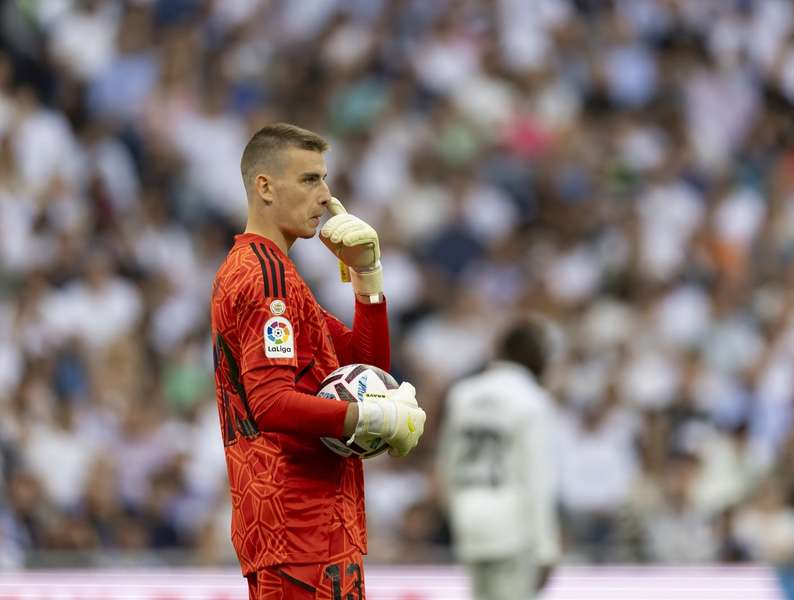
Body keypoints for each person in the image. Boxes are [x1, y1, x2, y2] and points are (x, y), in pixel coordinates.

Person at [210, 123, 426, 599]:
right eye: (309, 180)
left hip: (313, 528)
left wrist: (366, 277)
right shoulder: (264, 276)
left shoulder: (280, 274)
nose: (326, 197)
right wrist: (367, 415)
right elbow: (271, 403)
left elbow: (368, 368)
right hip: (298, 525)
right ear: (264, 186)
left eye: (325, 179)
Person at [437, 317, 561, 600]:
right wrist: (546, 548)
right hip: (513, 526)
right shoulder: (533, 400)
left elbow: (447, 464)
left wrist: (454, 511)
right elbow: (538, 478)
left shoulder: (463, 394)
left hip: (468, 517)